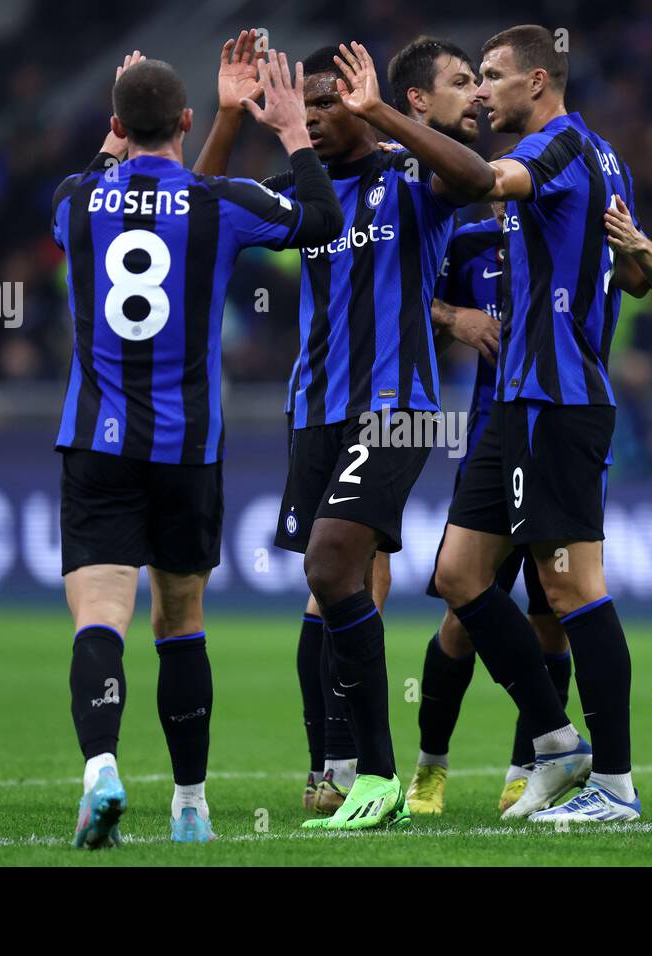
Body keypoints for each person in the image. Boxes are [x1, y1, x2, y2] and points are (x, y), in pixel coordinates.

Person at [196, 38, 495, 831]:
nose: (313, 117)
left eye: (328, 101)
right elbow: (191, 215)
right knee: (325, 590)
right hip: (314, 410)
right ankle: (331, 769)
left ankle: (378, 774)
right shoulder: (303, 190)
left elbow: (474, 177)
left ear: (359, 98)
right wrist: (228, 117)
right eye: (305, 105)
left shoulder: (410, 170)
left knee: (337, 566)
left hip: (397, 405)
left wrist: (381, 112)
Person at [52, 48, 342, 849]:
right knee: (181, 624)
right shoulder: (222, 204)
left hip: (97, 445)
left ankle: (102, 771)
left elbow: (106, 169)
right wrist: (288, 130)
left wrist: (121, 113)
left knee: (101, 618)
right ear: (186, 122)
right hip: (186, 450)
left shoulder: (72, 204)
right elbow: (321, 219)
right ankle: (191, 806)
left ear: (114, 127)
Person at [432, 25, 652, 824]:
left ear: (538, 82)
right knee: (460, 576)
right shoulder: (604, 159)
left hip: (559, 401)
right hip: (513, 406)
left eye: (494, 78)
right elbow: (639, 281)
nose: (481, 91)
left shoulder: (560, 147)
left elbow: (481, 180)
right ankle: (553, 740)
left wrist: (384, 116)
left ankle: (614, 786)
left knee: (573, 585)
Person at [379, 37, 572, 816]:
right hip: (492, 435)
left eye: (486, 82)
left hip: (555, 431)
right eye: (472, 84)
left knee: (551, 614)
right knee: (462, 617)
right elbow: (395, 292)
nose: (482, 98)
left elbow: (621, 281)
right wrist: (450, 314)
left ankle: (532, 768)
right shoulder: (458, 229)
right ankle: (430, 761)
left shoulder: (561, 212)